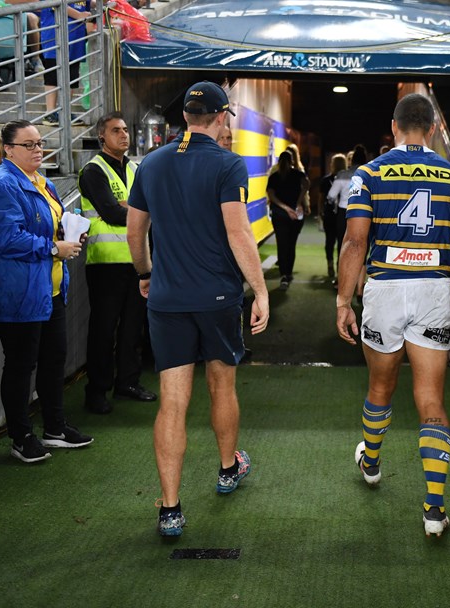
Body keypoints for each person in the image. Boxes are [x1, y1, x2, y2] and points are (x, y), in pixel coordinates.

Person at [336, 93, 450, 537]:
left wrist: (344, 300)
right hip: (434, 291)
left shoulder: (370, 173)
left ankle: (372, 461)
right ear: (432, 126)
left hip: (385, 288)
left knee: (381, 385)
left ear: (394, 125)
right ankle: (434, 510)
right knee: (431, 399)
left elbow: (355, 243)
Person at [126, 81, 269, 537]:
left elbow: (135, 233)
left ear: (186, 117)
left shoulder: (151, 162)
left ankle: (170, 509)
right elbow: (238, 233)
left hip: (167, 300)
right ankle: (228, 469)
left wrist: (146, 274)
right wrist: (260, 290)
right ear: (222, 117)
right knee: (222, 385)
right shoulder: (228, 165)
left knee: (172, 402)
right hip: (218, 298)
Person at [0, 120, 93, 463]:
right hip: (18, 292)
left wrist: (69, 236)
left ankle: (54, 427)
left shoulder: (43, 182)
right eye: (29, 145)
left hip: (48, 289)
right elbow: (6, 239)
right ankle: (21, 436)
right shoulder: (1, 186)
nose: (38, 150)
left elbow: (49, 225)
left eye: (40, 143)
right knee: (20, 365)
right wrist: (55, 248)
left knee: (53, 360)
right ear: (8, 149)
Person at [78, 111, 157, 414]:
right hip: (106, 265)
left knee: (132, 328)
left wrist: (132, 207)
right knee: (103, 329)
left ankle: (127, 382)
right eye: (115, 131)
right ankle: (96, 391)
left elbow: (151, 204)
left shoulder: (137, 169)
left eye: (125, 130)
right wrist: (140, 209)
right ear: (102, 136)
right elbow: (111, 213)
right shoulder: (93, 171)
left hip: (138, 262)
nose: (123, 135)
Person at [40, 1, 91, 126]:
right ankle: (50, 112)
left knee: (72, 75)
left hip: (76, 36)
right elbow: (54, 3)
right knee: (53, 73)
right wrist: (79, 15)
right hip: (55, 33)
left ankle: (65, 111)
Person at [267, 150, 308, 290]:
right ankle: (289, 272)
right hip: (296, 214)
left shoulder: (274, 177)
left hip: (279, 215)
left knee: (282, 244)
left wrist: (285, 208)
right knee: (291, 244)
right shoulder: (298, 174)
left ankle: (284, 274)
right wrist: (297, 202)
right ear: (292, 161)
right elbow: (307, 185)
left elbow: (271, 196)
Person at [328, 144, 368, 250]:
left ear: (352, 160)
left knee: (343, 243)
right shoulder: (370, 174)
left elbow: (331, 195)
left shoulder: (342, 174)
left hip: (344, 212)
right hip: (364, 212)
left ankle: (341, 266)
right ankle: (361, 266)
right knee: (362, 243)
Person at [319, 153, 347, 283]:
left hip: (330, 214)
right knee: (341, 242)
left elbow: (322, 197)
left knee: (329, 241)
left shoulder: (327, 179)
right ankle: (338, 267)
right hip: (343, 214)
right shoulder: (349, 178)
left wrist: (320, 211)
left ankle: (330, 264)